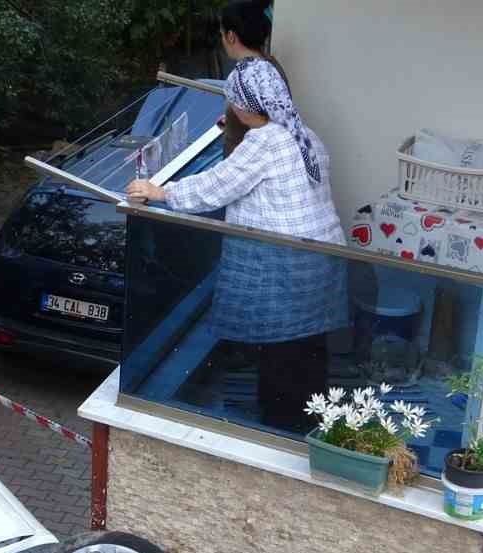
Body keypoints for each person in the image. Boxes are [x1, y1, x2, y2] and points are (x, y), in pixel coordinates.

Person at [126, 57, 347, 434]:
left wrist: (160, 191)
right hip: (322, 260)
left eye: (233, 101)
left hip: (287, 263)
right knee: (308, 347)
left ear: (244, 105)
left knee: (281, 349)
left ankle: (282, 428)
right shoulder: (300, 131)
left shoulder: (263, 142)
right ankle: (313, 418)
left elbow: (217, 186)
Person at [216, 1, 291, 155]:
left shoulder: (243, 77)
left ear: (231, 36)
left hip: (249, 168)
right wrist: (233, 120)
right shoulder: (270, 68)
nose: (221, 40)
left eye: (222, 34)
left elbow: (265, 129)